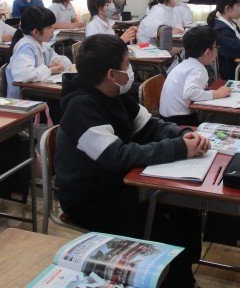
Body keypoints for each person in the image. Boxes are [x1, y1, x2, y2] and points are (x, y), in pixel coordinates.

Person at [54, 34, 210, 287]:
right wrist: (179, 149)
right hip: (91, 197)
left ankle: (184, 274)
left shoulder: (114, 93)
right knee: (161, 230)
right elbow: (117, 157)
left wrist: (182, 135)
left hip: (119, 182)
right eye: (127, 65)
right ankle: (176, 278)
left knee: (184, 206)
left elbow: (150, 126)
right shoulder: (80, 108)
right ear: (111, 74)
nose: (131, 71)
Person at [160, 26, 231, 125]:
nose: (217, 51)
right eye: (216, 47)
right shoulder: (198, 70)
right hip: (180, 121)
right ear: (207, 52)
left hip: (166, 119)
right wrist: (217, 94)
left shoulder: (186, 64)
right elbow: (189, 93)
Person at [5, 6, 72, 99]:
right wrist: (50, 70)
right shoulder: (26, 47)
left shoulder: (43, 44)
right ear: (36, 32)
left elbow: (65, 61)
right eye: (49, 27)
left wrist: (61, 64)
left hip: (38, 96)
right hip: (21, 100)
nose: (53, 31)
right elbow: (25, 75)